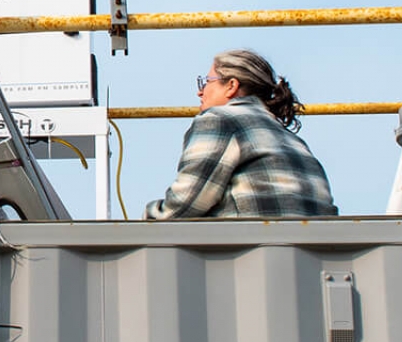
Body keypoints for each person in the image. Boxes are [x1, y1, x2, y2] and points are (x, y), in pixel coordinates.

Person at [144, 48, 337, 219]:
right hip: (314, 253)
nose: (200, 93)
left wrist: (145, 218)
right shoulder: (293, 140)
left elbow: (184, 204)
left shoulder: (220, 119)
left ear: (231, 86)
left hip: (247, 249)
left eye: (207, 82)